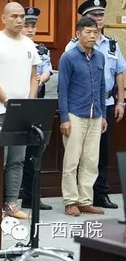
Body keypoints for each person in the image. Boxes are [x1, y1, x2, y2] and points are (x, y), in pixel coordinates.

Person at [0, 1, 40, 220]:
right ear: (3, 18)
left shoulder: (29, 44)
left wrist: (29, 104)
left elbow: (34, 77)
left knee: (17, 160)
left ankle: (11, 204)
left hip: (22, 114)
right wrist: (7, 102)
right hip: (0, 110)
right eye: (14, 16)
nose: (19, 20)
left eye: (22, 16)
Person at [65, 0, 126, 209]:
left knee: (100, 153)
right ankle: (73, 198)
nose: (98, 19)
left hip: (105, 103)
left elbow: (119, 73)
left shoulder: (112, 45)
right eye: (94, 15)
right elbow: (66, 81)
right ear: (84, 20)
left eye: (101, 15)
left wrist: (121, 102)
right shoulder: (72, 47)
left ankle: (98, 195)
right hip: (79, 106)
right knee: (76, 154)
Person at [59, 17, 107, 217]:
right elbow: (62, 90)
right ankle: (70, 201)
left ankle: (85, 201)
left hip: (95, 116)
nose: (92, 35)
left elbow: (102, 87)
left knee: (91, 161)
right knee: (72, 160)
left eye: (95, 32)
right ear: (78, 34)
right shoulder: (68, 58)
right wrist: (64, 118)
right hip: (75, 115)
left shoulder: (100, 57)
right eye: (88, 32)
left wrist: (103, 115)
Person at [19, 7, 53, 211]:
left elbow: (47, 70)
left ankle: (31, 197)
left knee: (34, 151)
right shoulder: (11, 47)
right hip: (17, 103)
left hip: (36, 103)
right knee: (13, 153)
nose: (30, 30)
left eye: (33, 26)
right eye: (26, 25)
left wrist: (40, 79)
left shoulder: (41, 50)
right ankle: (8, 197)